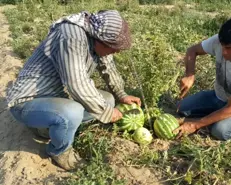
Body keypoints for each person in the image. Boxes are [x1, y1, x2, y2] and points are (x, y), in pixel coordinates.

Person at [6, 10, 141, 170]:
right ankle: (59, 151)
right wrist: (106, 112)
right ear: (100, 40)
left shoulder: (97, 37)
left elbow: (108, 67)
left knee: (108, 100)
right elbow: (76, 83)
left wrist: (121, 95)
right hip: (28, 101)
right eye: (114, 48)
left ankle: (49, 126)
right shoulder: (70, 37)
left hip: (56, 96)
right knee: (73, 112)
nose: (117, 52)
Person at [174, 17, 231, 141]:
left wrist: (195, 124)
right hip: (219, 96)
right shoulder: (220, 41)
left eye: (230, 49)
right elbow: (192, 51)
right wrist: (190, 75)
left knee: (220, 131)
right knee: (180, 107)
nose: (224, 52)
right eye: (222, 47)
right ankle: (215, 116)